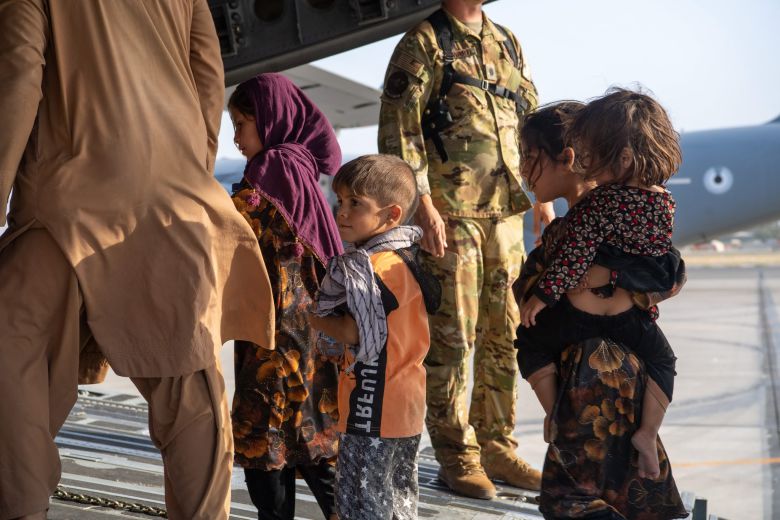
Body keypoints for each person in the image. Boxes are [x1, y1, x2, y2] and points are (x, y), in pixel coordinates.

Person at [0, 2, 275, 519]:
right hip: (171, 199)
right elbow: (207, 76)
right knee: (188, 381)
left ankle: (20, 505)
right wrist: (188, 170)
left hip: (63, 204)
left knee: (13, 352)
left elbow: (18, 79)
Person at [378, 0, 549, 498]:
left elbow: (529, 119)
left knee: (506, 334)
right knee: (454, 339)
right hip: (451, 217)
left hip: (506, 215)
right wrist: (423, 204)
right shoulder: (424, 44)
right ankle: (457, 455)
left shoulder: (508, 42)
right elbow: (400, 131)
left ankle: (497, 448)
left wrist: (541, 195)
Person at [513, 92, 686, 481]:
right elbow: (666, 270)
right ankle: (649, 432)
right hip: (630, 343)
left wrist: (548, 293)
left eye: (529, 157)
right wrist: (624, 283)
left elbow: (569, 262)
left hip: (587, 356)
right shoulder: (663, 202)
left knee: (530, 344)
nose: (523, 170)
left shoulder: (590, 212)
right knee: (664, 362)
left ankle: (554, 414)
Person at [227, 73, 343, 520]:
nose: (235, 137)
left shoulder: (269, 169)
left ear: (270, 119)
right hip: (311, 330)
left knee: (268, 438)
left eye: (241, 123)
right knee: (315, 437)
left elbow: (234, 227)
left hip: (275, 335)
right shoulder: (300, 167)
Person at [309, 155, 441, 520]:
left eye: (356, 204)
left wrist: (314, 319)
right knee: (396, 502)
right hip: (406, 406)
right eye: (340, 201)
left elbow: (354, 331)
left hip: (373, 406)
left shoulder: (374, 268)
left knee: (360, 505)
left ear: (392, 215)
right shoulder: (405, 260)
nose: (342, 212)